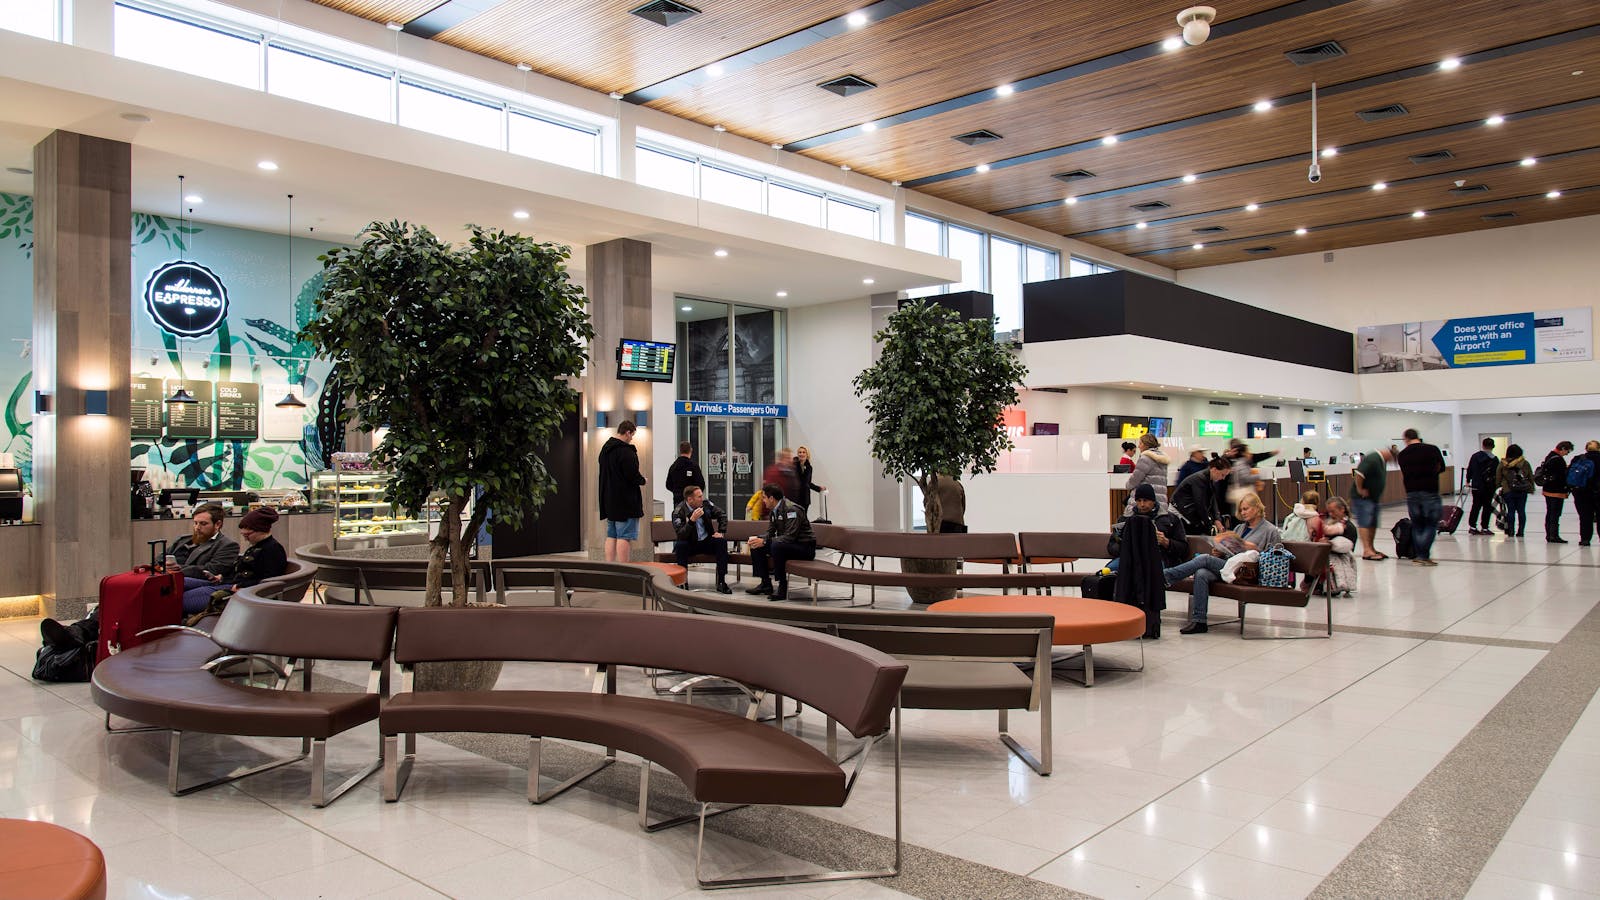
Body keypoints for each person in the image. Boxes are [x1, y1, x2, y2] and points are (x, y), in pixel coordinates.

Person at [1165, 492, 1282, 635]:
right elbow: (1231, 553)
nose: (1243, 513)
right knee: (1201, 573)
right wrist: (1221, 551)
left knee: (1204, 559)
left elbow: (1275, 556)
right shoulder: (1240, 528)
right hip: (1230, 567)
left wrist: (1252, 548)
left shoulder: (1270, 530)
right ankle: (1199, 621)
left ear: (1257, 508)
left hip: (1248, 571)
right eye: (1241, 510)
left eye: (1246, 509)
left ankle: (1167, 576)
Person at [181, 507, 287, 616]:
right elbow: (242, 570)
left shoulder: (272, 549)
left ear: (262, 529)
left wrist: (240, 586)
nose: (246, 539)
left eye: (248, 535)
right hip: (228, 583)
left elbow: (269, 580)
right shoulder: (257, 546)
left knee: (179, 599)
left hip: (239, 591)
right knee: (180, 582)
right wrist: (221, 577)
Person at [745, 483, 815, 601]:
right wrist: (759, 539)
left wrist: (766, 542)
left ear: (771, 498)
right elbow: (770, 532)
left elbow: (790, 537)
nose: (763, 501)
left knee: (777, 546)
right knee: (756, 545)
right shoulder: (774, 510)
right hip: (789, 545)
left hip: (804, 548)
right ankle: (765, 583)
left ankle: (782, 587)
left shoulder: (792, 509)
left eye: (764, 498)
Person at [597, 420, 646, 562]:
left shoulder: (605, 450)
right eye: (632, 435)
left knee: (611, 535)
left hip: (608, 500)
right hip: (625, 502)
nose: (632, 439)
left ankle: (610, 566)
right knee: (625, 536)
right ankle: (625, 569)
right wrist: (643, 480)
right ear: (628, 432)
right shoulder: (626, 452)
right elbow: (632, 476)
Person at [1109, 484, 1189, 570]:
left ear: (1153, 501)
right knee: (1108, 572)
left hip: (1159, 559)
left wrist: (1166, 542)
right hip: (1130, 559)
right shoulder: (1125, 519)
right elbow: (1111, 546)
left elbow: (1184, 549)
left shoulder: (1170, 519)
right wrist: (1124, 546)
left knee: (1152, 572)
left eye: (1145, 500)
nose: (1142, 504)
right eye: (1139, 501)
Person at [671, 486, 732, 594]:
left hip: (706, 541)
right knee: (681, 545)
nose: (702, 498)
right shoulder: (678, 511)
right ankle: (682, 582)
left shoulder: (706, 504)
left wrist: (721, 531)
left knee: (721, 542)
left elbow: (722, 514)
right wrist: (691, 521)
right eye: (699, 497)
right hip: (689, 543)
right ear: (690, 499)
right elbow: (681, 534)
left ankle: (721, 582)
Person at [1398, 429, 1446, 566]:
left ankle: (1420, 555)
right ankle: (1423, 555)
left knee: (1417, 524)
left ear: (1406, 439)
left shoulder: (1403, 454)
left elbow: (1405, 472)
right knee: (1431, 524)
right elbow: (1441, 467)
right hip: (1430, 491)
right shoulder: (1431, 449)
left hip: (1411, 492)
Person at [170, 502, 240, 595]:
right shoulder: (183, 540)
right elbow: (161, 557)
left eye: (203, 524)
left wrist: (178, 568)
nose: (197, 528)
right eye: (195, 523)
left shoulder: (227, 545)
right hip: (174, 579)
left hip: (200, 584)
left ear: (217, 524)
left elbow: (211, 570)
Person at [1352, 445, 1394, 560]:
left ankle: (1371, 548)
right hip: (1363, 499)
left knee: (1373, 523)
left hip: (1373, 499)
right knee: (1365, 522)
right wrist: (1360, 489)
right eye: (1392, 459)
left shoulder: (1381, 461)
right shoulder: (1373, 458)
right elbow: (1359, 473)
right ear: (1388, 454)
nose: (1391, 462)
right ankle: (1366, 550)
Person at [1171, 456, 1230, 535]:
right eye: (1222, 475)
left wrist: (1217, 519)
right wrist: (1208, 525)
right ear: (1214, 469)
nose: (1223, 478)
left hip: (1188, 511)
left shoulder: (1210, 480)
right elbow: (1200, 504)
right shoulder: (1200, 479)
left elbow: (1212, 501)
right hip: (1180, 512)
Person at [1122, 433, 1170, 515]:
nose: (1138, 446)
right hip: (1160, 500)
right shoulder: (1162, 459)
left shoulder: (1145, 458)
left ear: (1146, 445)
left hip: (1145, 500)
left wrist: (1128, 485)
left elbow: (1135, 479)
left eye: (1140, 443)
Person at [1538, 441, 1575, 543]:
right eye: (1567, 451)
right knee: (1555, 513)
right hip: (1556, 491)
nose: (1567, 453)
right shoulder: (1558, 459)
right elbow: (1561, 476)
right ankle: (1554, 535)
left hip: (1548, 489)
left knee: (1550, 512)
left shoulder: (1550, 456)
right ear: (1562, 448)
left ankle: (1549, 535)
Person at [1497, 444, 1535, 538]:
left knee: (1511, 511)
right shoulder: (1524, 463)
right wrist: (1531, 488)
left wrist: (1499, 485)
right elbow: (1530, 476)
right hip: (1522, 490)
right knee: (1521, 511)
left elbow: (1498, 477)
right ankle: (1521, 531)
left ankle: (1510, 531)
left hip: (1508, 490)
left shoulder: (1503, 463)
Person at [1322, 497, 1358, 596]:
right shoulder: (1330, 523)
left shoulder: (1349, 527)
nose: (1331, 514)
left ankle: (1339, 585)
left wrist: (1330, 544)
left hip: (1341, 556)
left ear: (1342, 509)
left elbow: (1347, 546)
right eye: (1329, 512)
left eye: (1333, 511)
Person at [1465, 438, 1499, 535]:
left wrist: (1468, 480)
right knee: (1487, 507)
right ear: (1493, 446)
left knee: (1475, 506)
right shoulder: (1494, 459)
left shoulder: (1475, 456)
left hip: (1476, 486)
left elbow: (1470, 469)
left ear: (1482, 445)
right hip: (1489, 487)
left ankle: (1472, 526)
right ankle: (1484, 527)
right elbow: (1496, 473)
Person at [1572, 440, 1600, 546]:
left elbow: (1570, 475)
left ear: (1586, 448)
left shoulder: (1578, 459)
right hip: (1598, 492)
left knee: (1585, 517)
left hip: (1581, 493)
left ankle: (1585, 539)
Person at [794, 446, 827, 514]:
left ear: (807, 454)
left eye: (803, 452)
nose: (801, 454)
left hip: (805, 497)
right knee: (794, 518)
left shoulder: (809, 467)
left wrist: (818, 488)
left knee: (803, 518)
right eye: (799, 452)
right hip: (795, 496)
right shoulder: (794, 465)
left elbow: (807, 483)